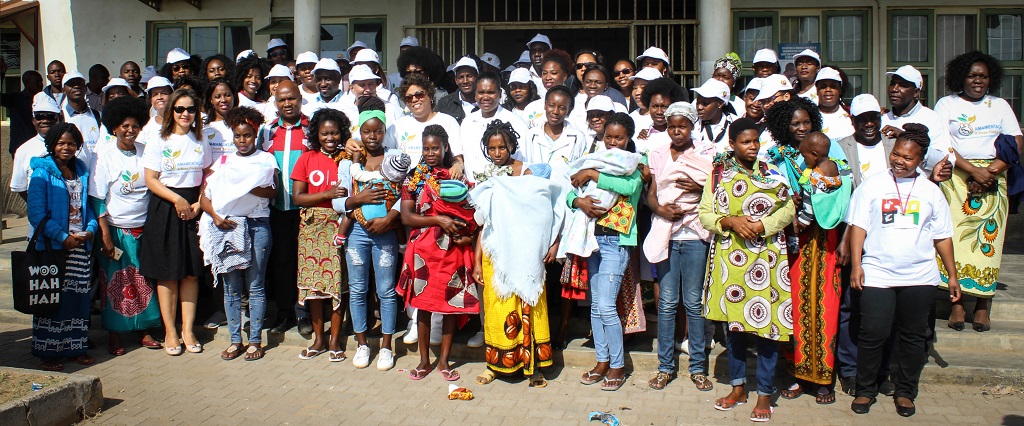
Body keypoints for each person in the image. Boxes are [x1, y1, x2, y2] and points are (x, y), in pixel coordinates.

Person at [847, 123, 961, 417]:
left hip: (919, 276)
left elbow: (942, 236)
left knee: (912, 336)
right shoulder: (872, 185)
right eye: (896, 154)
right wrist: (857, 265)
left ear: (921, 161)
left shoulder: (930, 191)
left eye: (908, 158)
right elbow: (859, 226)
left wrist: (952, 275)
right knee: (873, 332)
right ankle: (865, 389)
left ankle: (905, 391)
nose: (899, 161)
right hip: (877, 272)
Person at [699, 118, 795, 422]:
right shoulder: (717, 175)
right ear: (732, 144)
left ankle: (765, 392)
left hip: (767, 260)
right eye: (745, 142)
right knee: (734, 327)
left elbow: (789, 208)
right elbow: (705, 213)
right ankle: (738, 387)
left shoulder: (772, 172)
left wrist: (762, 225)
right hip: (731, 261)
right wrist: (730, 222)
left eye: (755, 141)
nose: (752, 147)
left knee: (768, 328)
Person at [934, 51, 1023, 332]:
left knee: (989, 241)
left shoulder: (999, 105)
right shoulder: (946, 104)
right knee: (955, 243)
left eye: (983, 76)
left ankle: (983, 305)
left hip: (994, 179)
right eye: (972, 75)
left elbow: (1017, 141)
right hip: (957, 177)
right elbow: (942, 142)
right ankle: (957, 304)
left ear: (990, 79)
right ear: (961, 77)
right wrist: (972, 171)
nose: (978, 81)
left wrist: (991, 171)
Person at [470, 120, 562, 388]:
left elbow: (546, 211)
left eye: (502, 146)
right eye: (492, 148)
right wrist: (476, 261)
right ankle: (495, 366)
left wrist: (553, 244)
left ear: (512, 145)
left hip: (526, 250)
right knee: (497, 308)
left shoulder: (530, 173)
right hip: (495, 252)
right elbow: (484, 223)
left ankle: (535, 368)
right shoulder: (486, 176)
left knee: (529, 307)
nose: (498, 152)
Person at [568, 112, 648, 391]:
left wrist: (591, 174)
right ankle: (602, 361)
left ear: (629, 139)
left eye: (619, 137)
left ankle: (617, 364)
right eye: (609, 137)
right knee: (596, 306)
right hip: (591, 240)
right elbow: (569, 192)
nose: (613, 142)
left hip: (616, 242)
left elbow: (627, 187)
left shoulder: (634, 165)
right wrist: (578, 200)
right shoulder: (596, 159)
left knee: (605, 306)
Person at [398, 124, 479, 381]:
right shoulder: (414, 177)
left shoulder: (456, 176)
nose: (431, 153)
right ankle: (424, 361)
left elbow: (470, 212)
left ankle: (443, 361)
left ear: (445, 148)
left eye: (436, 148)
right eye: (426, 148)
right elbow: (407, 217)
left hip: (452, 249)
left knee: (450, 306)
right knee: (423, 305)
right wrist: (438, 221)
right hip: (423, 250)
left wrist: (461, 229)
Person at [643, 102, 714, 391]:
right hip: (666, 233)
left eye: (682, 126)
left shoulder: (704, 153)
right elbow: (651, 193)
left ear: (692, 126)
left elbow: (713, 186)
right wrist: (660, 210)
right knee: (668, 302)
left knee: (694, 302)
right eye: (672, 126)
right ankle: (665, 367)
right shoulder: (658, 154)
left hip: (695, 235)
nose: (676, 131)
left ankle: (698, 368)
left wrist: (698, 188)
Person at [198, 106, 278, 361]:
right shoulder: (223, 162)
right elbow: (205, 197)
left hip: (257, 225)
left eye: (247, 136)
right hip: (228, 226)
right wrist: (216, 217)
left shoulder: (266, 159)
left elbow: (271, 191)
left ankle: (255, 341)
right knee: (231, 287)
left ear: (255, 135)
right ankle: (235, 340)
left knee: (255, 285)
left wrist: (245, 184)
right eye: (237, 136)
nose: (242, 141)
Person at [139, 89, 213, 356]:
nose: (185, 114)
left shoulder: (201, 139)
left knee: (192, 272)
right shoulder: (159, 140)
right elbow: (151, 179)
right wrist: (176, 200)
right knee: (168, 273)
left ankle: (188, 329)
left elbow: (207, 174)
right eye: (180, 109)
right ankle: (170, 331)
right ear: (171, 111)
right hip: (166, 207)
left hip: (194, 206)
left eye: (191, 109)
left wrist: (199, 202)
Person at [89, 96, 162, 356]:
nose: (130, 131)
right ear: (113, 127)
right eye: (124, 126)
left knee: (145, 281)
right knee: (116, 284)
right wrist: (105, 234)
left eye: (134, 126)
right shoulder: (104, 157)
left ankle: (145, 330)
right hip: (117, 232)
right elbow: (97, 197)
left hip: (145, 230)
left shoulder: (147, 151)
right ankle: (115, 335)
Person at [27, 123, 99, 371]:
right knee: (51, 300)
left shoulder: (81, 170)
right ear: (52, 144)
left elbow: (87, 206)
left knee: (77, 299)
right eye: (61, 143)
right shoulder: (41, 172)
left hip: (79, 245)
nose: (66, 147)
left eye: (71, 143)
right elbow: (36, 214)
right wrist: (61, 237)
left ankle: (75, 348)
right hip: (53, 247)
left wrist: (90, 230)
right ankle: (48, 353)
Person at [344, 108, 404, 371]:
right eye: (366, 131)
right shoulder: (349, 162)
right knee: (358, 289)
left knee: (386, 290)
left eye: (377, 130)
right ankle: (362, 344)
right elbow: (339, 199)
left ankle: (386, 347)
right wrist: (358, 199)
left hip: (385, 234)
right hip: (357, 232)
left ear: (384, 131)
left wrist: (390, 218)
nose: (372, 136)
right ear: (359, 131)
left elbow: (406, 193)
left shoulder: (395, 159)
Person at [291, 108, 353, 362]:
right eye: (324, 133)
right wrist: (327, 194)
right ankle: (319, 340)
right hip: (311, 227)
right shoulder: (306, 158)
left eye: (335, 132)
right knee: (315, 287)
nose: (330, 137)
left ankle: (336, 340)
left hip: (339, 225)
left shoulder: (347, 159)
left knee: (336, 285)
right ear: (316, 134)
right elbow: (298, 197)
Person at [261, 80, 312, 335]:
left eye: (291, 98)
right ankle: (284, 313)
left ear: (300, 98)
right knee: (281, 262)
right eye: (282, 100)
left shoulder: (313, 128)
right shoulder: (266, 132)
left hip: (307, 210)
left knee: (305, 262)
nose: (287, 103)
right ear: (275, 103)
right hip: (278, 209)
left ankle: (304, 314)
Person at [459, 72, 528, 182]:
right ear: (475, 94)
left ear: (500, 94)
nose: (485, 97)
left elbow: (523, 159)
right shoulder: (467, 123)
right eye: (481, 92)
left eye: (491, 92)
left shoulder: (515, 122)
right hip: (473, 192)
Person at [388, 73, 463, 173]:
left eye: (419, 95)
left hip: (440, 183)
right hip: (407, 185)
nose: (414, 100)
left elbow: (457, 158)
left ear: (430, 95)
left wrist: (457, 167)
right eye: (409, 98)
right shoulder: (398, 126)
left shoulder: (448, 121)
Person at [520, 85, 589, 187]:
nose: (555, 112)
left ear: (569, 110)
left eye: (562, 108)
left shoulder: (578, 138)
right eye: (551, 105)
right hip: (533, 194)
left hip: (563, 197)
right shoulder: (530, 135)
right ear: (545, 105)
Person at [11, 96, 60, 203]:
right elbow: (20, 188)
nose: (45, 120)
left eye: (50, 116)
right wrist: (38, 207)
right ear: (33, 120)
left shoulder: (69, 146)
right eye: (39, 116)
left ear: (58, 119)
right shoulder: (23, 150)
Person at [636, 77, 689, 154]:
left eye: (664, 106)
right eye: (655, 106)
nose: (659, 112)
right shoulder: (642, 135)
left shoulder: (681, 136)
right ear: (648, 106)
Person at [59, 71, 102, 162]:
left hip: (97, 169)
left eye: (80, 84)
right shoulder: (60, 117)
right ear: (63, 90)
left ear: (86, 88)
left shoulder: (98, 115)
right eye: (71, 84)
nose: (76, 86)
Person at [2, 70, 44, 154]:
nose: (41, 84)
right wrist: (2, 74)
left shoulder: (45, 100)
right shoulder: (15, 99)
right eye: (37, 81)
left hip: (40, 147)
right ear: (27, 83)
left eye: (41, 81)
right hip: (19, 147)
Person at [691, 78, 738, 153]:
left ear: (720, 103)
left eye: (705, 103)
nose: (699, 107)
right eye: (698, 102)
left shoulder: (736, 124)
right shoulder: (691, 125)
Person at [202, 78, 238, 164]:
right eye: (217, 96)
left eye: (227, 95)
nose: (223, 100)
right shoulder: (203, 129)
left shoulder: (243, 125)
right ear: (211, 100)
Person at [436, 57, 479, 124]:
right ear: (456, 80)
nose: (465, 81)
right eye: (461, 77)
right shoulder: (444, 104)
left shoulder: (486, 102)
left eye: (469, 76)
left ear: (477, 77)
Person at [815, 67, 854, 141]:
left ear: (840, 90)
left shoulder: (851, 114)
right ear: (817, 90)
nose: (828, 89)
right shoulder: (809, 116)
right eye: (823, 86)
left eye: (833, 86)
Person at [137, 76, 173, 145]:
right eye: (155, 94)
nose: (159, 97)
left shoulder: (182, 121)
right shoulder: (147, 127)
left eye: (164, 93)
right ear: (150, 100)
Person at [627, 67, 661, 138]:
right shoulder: (631, 117)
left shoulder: (664, 118)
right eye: (635, 88)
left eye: (643, 87)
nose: (637, 92)